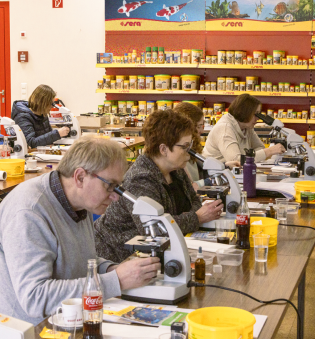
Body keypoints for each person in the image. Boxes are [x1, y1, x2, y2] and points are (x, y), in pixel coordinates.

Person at [0, 137, 160, 324]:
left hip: (64, 318)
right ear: (80, 177)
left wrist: (111, 269)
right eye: (110, 185)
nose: (116, 197)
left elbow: (78, 259)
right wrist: (116, 281)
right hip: (25, 329)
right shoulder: (29, 212)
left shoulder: (78, 203)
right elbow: (35, 298)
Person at [95, 110, 224, 263]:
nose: (189, 153)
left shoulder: (176, 169)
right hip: (118, 257)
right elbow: (156, 230)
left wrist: (191, 216)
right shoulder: (140, 178)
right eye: (185, 147)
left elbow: (194, 202)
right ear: (163, 149)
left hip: (159, 250)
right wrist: (197, 218)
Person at [173, 102, 240, 190]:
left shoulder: (191, 150)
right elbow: (190, 186)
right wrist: (210, 181)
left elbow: (202, 168)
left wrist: (225, 166)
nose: (202, 130)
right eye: (199, 126)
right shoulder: (178, 155)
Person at [202, 93, 285, 163]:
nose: (258, 118)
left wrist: (246, 156)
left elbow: (260, 148)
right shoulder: (225, 128)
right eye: (256, 114)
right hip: (215, 176)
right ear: (245, 113)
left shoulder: (246, 126)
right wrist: (270, 151)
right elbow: (236, 161)